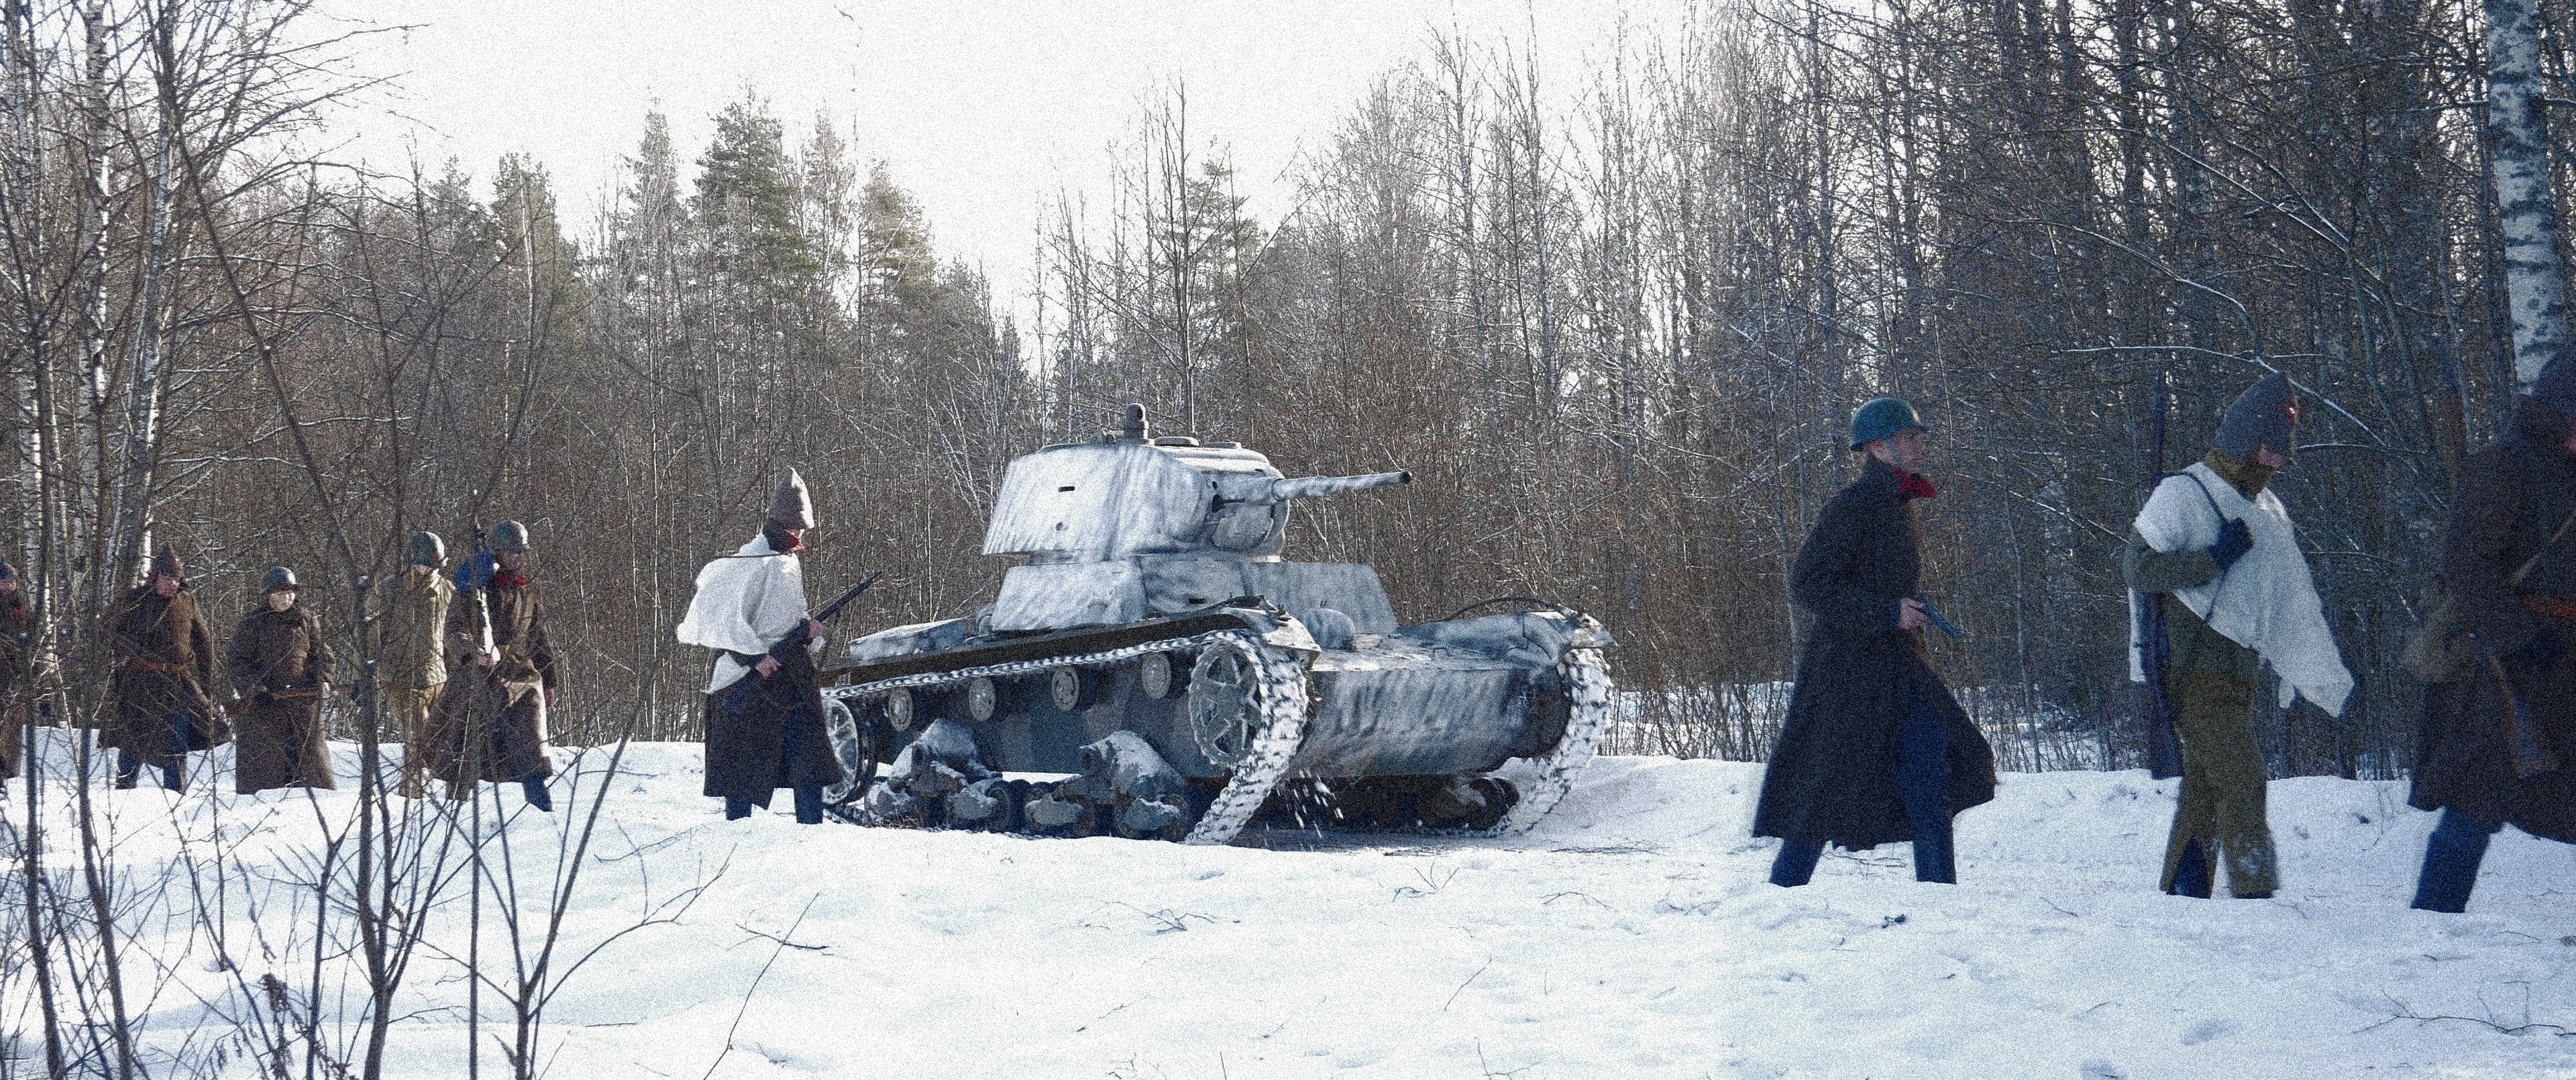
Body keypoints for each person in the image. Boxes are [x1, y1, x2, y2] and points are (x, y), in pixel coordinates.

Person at [2123, 372, 2352, 900]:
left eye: (2281, 452)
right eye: (2269, 449)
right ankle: (2256, 895)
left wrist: (2315, 670)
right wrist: (2212, 559)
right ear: (2244, 439)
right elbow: (2136, 566)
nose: (2276, 462)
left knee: (2206, 787)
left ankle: (2184, 895)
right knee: (2245, 777)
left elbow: (2291, 599)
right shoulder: (2183, 492)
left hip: (2238, 673)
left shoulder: (2268, 511)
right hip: (2190, 670)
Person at [1754, 397, 1996, 886]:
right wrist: (1887, 611)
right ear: (1879, 448)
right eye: (1909, 438)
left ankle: (1939, 894)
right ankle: (1781, 894)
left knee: (1930, 770)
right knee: (1824, 785)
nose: (1920, 444)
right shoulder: (1853, 506)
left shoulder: (1900, 503)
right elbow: (1808, 583)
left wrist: (1904, 607)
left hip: (1898, 666)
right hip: (1847, 673)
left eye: (1918, 436)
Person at [2408, 352, 2576, 913]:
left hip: (2563, 664)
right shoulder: (2504, 466)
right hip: (2501, 668)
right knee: (2475, 802)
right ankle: (2430, 922)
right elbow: (2467, 564)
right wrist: (2517, 637)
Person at [678, 470, 838, 824]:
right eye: (795, 526)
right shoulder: (750, 562)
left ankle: (810, 830)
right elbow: (726, 621)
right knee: (743, 766)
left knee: (807, 757)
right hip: (749, 673)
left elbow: (786, 615)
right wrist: (753, 658)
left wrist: (808, 629)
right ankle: (738, 833)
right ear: (781, 523)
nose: (798, 535)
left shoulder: (789, 561)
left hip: (791, 668)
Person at [422, 520, 557, 810]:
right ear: (497, 552)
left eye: (520, 552)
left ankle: (541, 809)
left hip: (521, 676)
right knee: (463, 736)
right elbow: (454, 628)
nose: (517, 557)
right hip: (480, 671)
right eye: (511, 552)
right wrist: (473, 652)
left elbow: (539, 636)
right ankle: (456, 806)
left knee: (531, 746)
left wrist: (550, 679)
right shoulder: (476, 585)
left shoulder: (527, 588)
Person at [103, 547, 228, 790]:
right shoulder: (133, 599)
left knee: (176, 738)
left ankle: (175, 793)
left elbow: (204, 643)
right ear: (156, 576)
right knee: (133, 740)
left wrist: (208, 683)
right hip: (139, 682)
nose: (172, 583)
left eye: (177, 579)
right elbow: (106, 631)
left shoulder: (187, 602)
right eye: (167, 577)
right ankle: (125, 788)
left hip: (176, 682)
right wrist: (130, 649)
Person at [227, 566, 337, 794]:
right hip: (265, 709)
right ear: (268, 595)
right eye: (279, 593)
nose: (285, 598)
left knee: (313, 777)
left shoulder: (306, 620)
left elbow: (322, 656)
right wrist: (257, 690)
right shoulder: (252, 623)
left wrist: (323, 680)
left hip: (303, 706)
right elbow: (238, 663)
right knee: (266, 780)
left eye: (289, 593)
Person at [378, 532, 453, 798]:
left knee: (444, 744)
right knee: (418, 744)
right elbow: (374, 632)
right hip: (401, 679)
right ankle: (409, 799)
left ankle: (452, 801)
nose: (424, 570)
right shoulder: (390, 589)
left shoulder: (448, 591)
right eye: (420, 563)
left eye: (431, 565)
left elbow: (452, 636)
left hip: (438, 677)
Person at [1, 559, 26, 798]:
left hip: (14, 678)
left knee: (11, 732)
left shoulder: (21, 607)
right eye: (4, 581)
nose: (9, 586)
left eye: (12, 581)